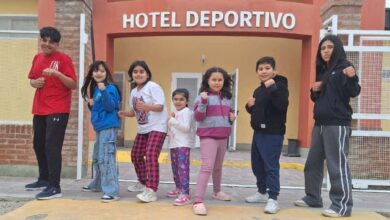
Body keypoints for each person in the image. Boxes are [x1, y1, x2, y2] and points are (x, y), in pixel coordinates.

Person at [294, 34, 360, 218]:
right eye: (323, 48)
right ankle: (313, 197)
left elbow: (353, 91)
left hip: (337, 124)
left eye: (330, 47)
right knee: (312, 163)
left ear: (337, 48)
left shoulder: (344, 67)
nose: (326, 51)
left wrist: (353, 78)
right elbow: (320, 98)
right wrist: (314, 91)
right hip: (320, 123)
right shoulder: (324, 70)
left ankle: (342, 205)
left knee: (336, 165)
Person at [25, 27, 77, 199]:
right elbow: (32, 79)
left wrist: (57, 73)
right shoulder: (37, 58)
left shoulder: (63, 59)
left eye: (51, 42)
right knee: (38, 144)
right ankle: (44, 179)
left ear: (57, 44)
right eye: (44, 40)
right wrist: (35, 83)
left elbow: (72, 84)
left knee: (52, 147)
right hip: (39, 108)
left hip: (58, 109)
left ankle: (55, 187)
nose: (47, 44)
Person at [244, 56, 289, 214]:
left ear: (274, 71)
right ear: (257, 72)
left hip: (273, 133)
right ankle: (262, 192)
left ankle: (273, 198)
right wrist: (248, 107)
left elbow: (281, 106)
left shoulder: (280, 85)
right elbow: (258, 109)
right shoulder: (259, 89)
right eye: (260, 69)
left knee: (270, 166)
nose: (264, 71)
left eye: (267, 68)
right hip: (258, 132)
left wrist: (273, 88)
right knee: (257, 165)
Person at [119, 60, 168, 203]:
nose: (138, 74)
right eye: (135, 72)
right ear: (131, 75)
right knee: (135, 155)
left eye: (142, 71)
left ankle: (151, 190)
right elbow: (135, 112)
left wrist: (147, 106)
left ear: (147, 74)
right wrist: (124, 113)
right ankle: (143, 182)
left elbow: (159, 107)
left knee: (151, 155)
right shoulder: (134, 91)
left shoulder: (153, 87)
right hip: (143, 129)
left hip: (157, 127)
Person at [192, 67, 236, 216]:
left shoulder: (227, 97)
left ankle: (217, 192)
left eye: (220, 80)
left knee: (218, 167)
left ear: (224, 81)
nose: (217, 82)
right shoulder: (201, 97)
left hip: (223, 136)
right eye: (214, 79)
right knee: (207, 167)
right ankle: (198, 201)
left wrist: (231, 118)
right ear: (207, 81)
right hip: (208, 136)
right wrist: (204, 101)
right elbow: (198, 117)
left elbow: (225, 116)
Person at [80, 61, 121, 202]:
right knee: (98, 157)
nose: (99, 73)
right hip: (100, 127)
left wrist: (103, 91)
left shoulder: (109, 88)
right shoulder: (97, 89)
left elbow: (110, 107)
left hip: (108, 127)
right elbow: (100, 107)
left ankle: (111, 191)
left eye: (102, 71)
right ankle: (98, 184)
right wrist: (91, 103)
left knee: (106, 159)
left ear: (107, 73)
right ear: (92, 73)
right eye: (96, 71)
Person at [166, 88, 196, 206]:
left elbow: (186, 128)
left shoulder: (187, 112)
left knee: (183, 169)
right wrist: (172, 119)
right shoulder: (177, 113)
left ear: (187, 101)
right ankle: (178, 188)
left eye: (181, 99)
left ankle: (186, 194)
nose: (178, 102)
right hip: (174, 144)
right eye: (175, 99)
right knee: (175, 168)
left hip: (183, 144)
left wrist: (171, 120)